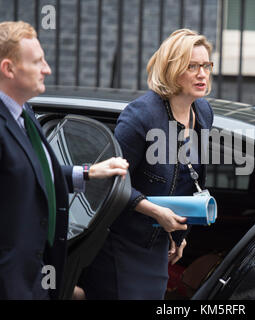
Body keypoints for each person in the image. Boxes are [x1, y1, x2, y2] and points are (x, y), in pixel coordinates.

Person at [78, 29, 214, 299]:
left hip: (157, 243)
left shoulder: (203, 112)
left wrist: (180, 234)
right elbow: (113, 182)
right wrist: (157, 213)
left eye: (207, 65)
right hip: (121, 243)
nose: (202, 74)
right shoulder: (141, 115)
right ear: (173, 69)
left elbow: (188, 179)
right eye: (193, 66)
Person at [0, 21, 129, 300]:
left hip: (35, 280)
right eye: (37, 62)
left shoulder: (24, 113)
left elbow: (33, 173)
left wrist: (90, 172)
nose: (47, 68)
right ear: (9, 69)